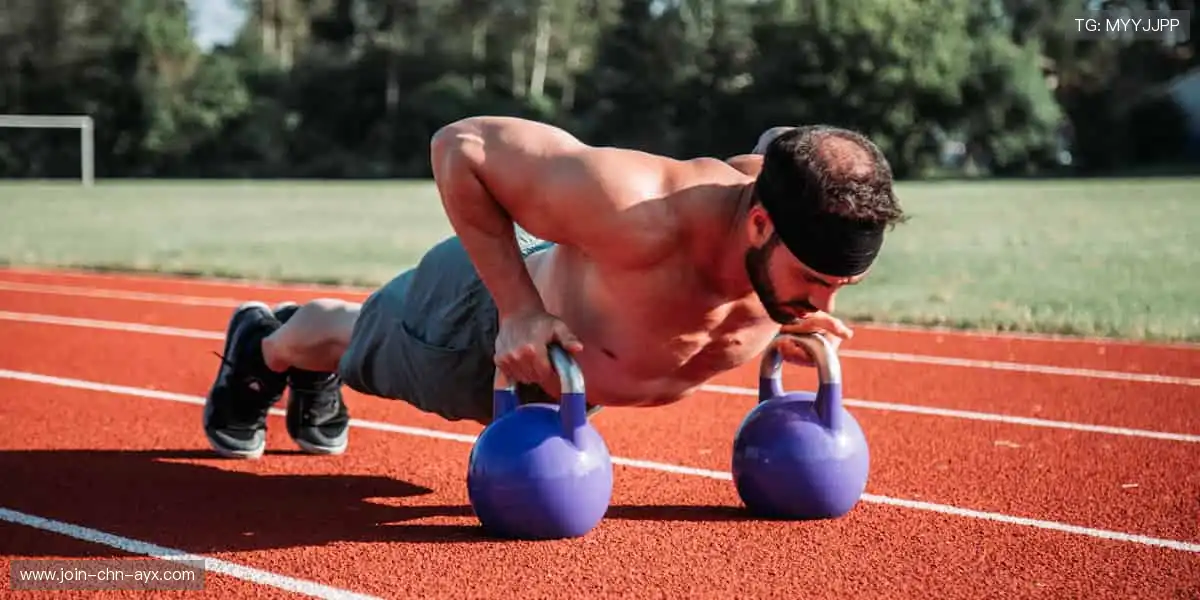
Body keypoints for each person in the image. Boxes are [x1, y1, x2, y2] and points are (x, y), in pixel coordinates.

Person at [201, 117, 907, 459]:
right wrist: (517, 312)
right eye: (814, 284)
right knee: (354, 341)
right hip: (476, 327)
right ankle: (268, 345)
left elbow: (784, 138)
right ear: (758, 224)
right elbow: (461, 147)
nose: (825, 308)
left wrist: (792, 304)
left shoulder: (788, 208)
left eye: (843, 287)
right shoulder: (639, 208)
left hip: (570, 359)